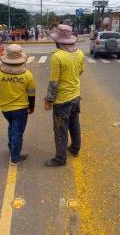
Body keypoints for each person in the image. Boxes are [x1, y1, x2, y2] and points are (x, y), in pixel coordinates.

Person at [44, 24, 85, 167]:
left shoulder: (57, 57)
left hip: (62, 100)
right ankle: (75, 149)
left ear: (58, 41)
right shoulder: (79, 53)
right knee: (74, 125)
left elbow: (54, 83)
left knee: (60, 130)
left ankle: (60, 158)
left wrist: (49, 99)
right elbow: (80, 72)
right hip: (75, 96)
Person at [0, 44, 36, 165]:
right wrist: (32, 107)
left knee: (12, 126)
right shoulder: (27, 75)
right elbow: (31, 93)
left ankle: (11, 147)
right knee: (18, 132)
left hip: (5, 109)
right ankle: (15, 158)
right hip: (21, 109)